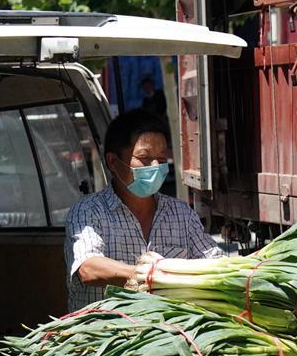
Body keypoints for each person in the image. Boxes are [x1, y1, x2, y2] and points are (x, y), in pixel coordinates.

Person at [64, 109, 222, 311]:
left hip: (167, 333)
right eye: (144, 158)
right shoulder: (88, 211)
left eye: (162, 160)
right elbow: (88, 268)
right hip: (108, 334)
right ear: (112, 161)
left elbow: (213, 261)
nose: (155, 166)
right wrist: (152, 276)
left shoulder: (181, 214)